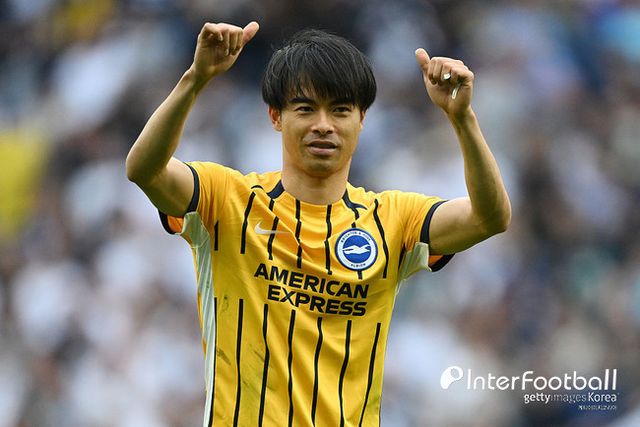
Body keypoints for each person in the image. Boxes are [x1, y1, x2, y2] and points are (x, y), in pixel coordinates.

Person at [126, 20, 511, 427]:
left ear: (361, 119)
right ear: (276, 116)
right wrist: (195, 78)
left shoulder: (394, 220)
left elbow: (490, 218)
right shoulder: (226, 199)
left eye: (340, 110)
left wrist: (462, 118)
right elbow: (144, 170)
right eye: (305, 108)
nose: (323, 124)